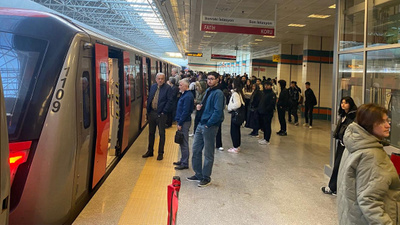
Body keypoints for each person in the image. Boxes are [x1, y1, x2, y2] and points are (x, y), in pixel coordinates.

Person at [337, 103, 399, 224]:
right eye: (382, 122)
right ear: (369, 124)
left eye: (388, 121)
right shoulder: (372, 156)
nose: (388, 125)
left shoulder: (354, 144)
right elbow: (369, 201)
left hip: (353, 218)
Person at [187, 72, 224, 187]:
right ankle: (198, 173)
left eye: (212, 79)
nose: (209, 81)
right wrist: (199, 107)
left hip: (209, 126)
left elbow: (218, 112)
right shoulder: (208, 91)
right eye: (208, 79)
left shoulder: (218, 93)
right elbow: (204, 105)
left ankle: (206, 177)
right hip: (201, 124)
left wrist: (209, 123)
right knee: (196, 149)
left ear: (218, 80)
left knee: (208, 153)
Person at [321, 96, 357, 195]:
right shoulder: (343, 115)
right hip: (341, 143)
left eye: (345, 103)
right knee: (338, 165)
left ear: (350, 104)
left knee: (338, 166)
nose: (343, 105)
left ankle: (332, 188)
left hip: (346, 145)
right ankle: (334, 187)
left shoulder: (353, 116)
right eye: (342, 103)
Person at [142, 73, 173, 161]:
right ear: (156, 79)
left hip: (161, 114)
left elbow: (170, 101)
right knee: (151, 133)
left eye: (162, 79)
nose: (160, 80)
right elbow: (150, 98)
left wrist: (164, 112)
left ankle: (160, 153)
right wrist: (148, 111)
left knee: (161, 134)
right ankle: (150, 151)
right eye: (158, 78)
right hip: (152, 113)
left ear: (164, 79)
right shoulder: (153, 87)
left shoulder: (168, 88)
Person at [173, 79, 194, 170]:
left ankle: (185, 163)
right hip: (182, 121)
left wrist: (180, 123)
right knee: (181, 142)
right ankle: (182, 160)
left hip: (184, 122)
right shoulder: (185, 95)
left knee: (184, 142)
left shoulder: (188, 96)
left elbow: (185, 111)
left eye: (181, 85)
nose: (179, 87)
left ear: (186, 86)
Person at [227, 78, 245, 153]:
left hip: (235, 114)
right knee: (237, 131)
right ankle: (237, 146)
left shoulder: (235, 94)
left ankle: (235, 147)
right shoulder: (240, 92)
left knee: (234, 131)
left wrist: (230, 107)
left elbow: (238, 104)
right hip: (239, 115)